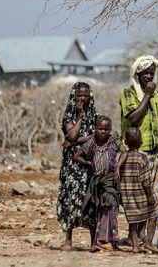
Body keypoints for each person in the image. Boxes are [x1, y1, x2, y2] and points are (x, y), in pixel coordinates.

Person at [56, 81, 98, 251]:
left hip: (89, 164)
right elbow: (71, 133)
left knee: (90, 199)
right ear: (74, 96)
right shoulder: (69, 115)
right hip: (71, 165)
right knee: (69, 198)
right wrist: (80, 116)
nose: (82, 98)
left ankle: (94, 242)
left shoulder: (95, 116)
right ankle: (68, 240)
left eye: (85, 96)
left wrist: (74, 141)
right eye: (79, 95)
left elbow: (97, 136)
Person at [74, 115, 125, 252]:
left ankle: (110, 240)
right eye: (100, 129)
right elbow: (77, 156)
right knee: (98, 211)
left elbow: (124, 152)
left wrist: (118, 167)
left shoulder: (113, 139)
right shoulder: (92, 142)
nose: (103, 131)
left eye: (106, 129)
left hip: (110, 181)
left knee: (112, 207)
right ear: (95, 129)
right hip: (97, 182)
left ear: (110, 129)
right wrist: (89, 163)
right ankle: (99, 242)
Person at [120, 55, 158, 185]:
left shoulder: (157, 94)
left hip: (152, 152)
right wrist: (147, 95)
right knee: (134, 190)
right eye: (145, 73)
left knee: (148, 190)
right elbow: (133, 117)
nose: (148, 76)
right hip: (134, 152)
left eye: (151, 73)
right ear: (138, 74)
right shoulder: (128, 93)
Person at [116, 126, 158, 254]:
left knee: (132, 220)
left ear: (125, 142)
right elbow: (146, 181)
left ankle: (135, 246)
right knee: (154, 213)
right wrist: (150, 196)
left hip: (127, 195)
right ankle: (149, 242)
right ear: (141, 141)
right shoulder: (143, 158)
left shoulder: (122, 158)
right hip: (141, 194)